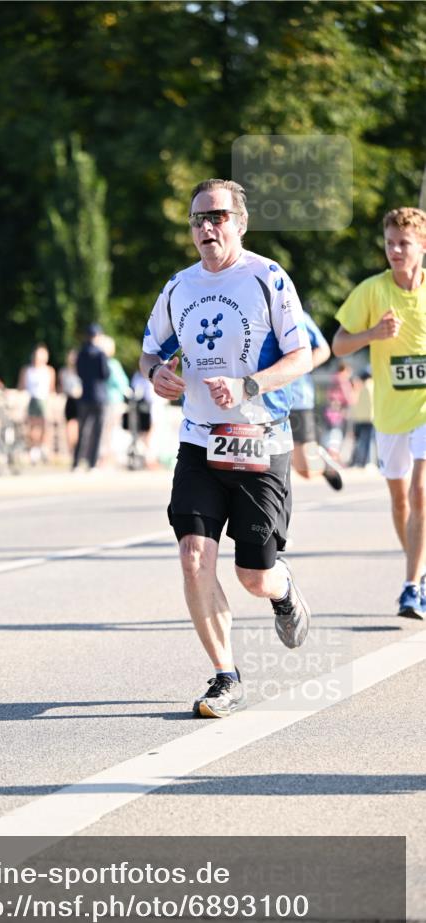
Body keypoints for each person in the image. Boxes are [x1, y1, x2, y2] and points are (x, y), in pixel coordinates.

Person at [141, 178, 312, 719]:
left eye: (216, 216)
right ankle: (224, 675)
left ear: (239, 222)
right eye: (197, 219)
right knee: (194, 557)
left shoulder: (267, 278)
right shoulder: (179, 287)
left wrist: (249, 385)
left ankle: (283, 591)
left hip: (261, 439)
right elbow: (149, 354)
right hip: (198, 441)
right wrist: (157, 376)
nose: (205, 228)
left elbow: (302, 355)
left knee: (253, 575)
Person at [332, 206, 426, 618]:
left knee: (420, 491)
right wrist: (373, 334)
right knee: (400, 499)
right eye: (389, 243)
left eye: (403, 243)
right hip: (390, 414)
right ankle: (419, 573)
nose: (395, 250)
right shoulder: (372, 290)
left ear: (422, 245)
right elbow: (338, 345)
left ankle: (409, 587)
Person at [289, 311, 343, 490]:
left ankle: (322, 462)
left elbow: (323, 349)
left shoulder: (296, 313)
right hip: (262, 399)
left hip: (296, 399)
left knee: (305, 470)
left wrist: (291, 371)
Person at [73, 323, 110, 471]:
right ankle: (92, 463)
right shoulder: (100, 354)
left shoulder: (81, 353)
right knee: (97, 432)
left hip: (85, 394)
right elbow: (105, 374)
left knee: (82, 431)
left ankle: (76, 462)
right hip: (99, 396)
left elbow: (79, 372)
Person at [18, 344, 56, 464]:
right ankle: (34, 449)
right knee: (32, 426)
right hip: (32, 399)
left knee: (46, 425)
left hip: (44, 400)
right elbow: (22, 386)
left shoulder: (49, 371)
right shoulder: (27, 370)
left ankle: (44, 448)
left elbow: (51, 389)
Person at [99, 334, 130, 466]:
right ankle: (107, 457)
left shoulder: (105, 363)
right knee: (110, 431)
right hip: (113, 401)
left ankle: (106, 457)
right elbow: (123, 383)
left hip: (108, 401)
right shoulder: (112, 364)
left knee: (107, 431)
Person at [323, 361, 354, 461]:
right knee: (336, 435)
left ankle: (331, 456)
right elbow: (348, 398)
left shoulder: (333, 379)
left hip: (329, 411)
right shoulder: (342, 380)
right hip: (338, 412)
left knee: (331, 434)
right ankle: (333, 457)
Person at [58, 349, 82, 455]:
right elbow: (62, 388)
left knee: (79, 426)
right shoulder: (64, 372)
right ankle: (71, 450)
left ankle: (78, 449)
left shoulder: (82, 371)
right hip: (70, 400)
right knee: (70, 425)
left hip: (80, 401)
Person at [349, 368, 375, 468]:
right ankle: (367, 462)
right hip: (370, 418)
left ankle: (358, 461)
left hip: (358, 418)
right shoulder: (372, 386)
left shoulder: (358, 387)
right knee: (368, 441)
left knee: (359, 441)